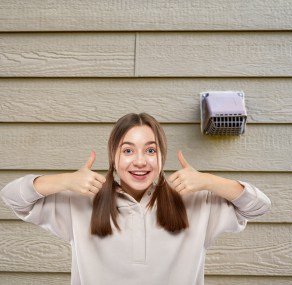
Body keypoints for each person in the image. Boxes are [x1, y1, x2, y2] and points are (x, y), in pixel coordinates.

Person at [1, 113, 271, 285]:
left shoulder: (197, 202)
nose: (140, 161)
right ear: (114, 158)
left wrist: (209, 181)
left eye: (150, 150)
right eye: (128, 150)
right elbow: (13, 197)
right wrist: (65, 181)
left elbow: (258, 207)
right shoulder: (79, 201)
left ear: (161, 157)